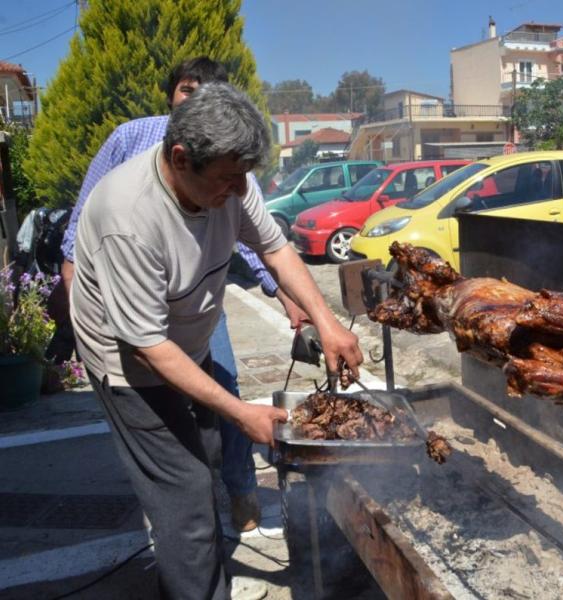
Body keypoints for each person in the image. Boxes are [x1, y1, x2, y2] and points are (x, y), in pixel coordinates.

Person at [70, 81, 363, 599]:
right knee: (182, 498)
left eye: (242, 178)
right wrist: (239, 411)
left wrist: (327, 320)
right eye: (227, 180)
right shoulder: (128, 217)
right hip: (131, 365)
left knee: (204, 463)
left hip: (187, 340)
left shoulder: (231, 179)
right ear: (180, 158)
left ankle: (198, 565)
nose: (237, 191)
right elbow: (148, 347)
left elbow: (275, 251)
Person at [59, 57, 306, 532]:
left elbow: (264, 245)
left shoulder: (232, 165)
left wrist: (312, 311)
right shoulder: (129, 171)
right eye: (189, 89)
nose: (197, 98)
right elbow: (145, 343)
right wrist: (77, 311)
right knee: (184, 487)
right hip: (132, 338)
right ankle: (193, 538)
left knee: (214, 422)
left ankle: (231, 499)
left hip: (195, 306)